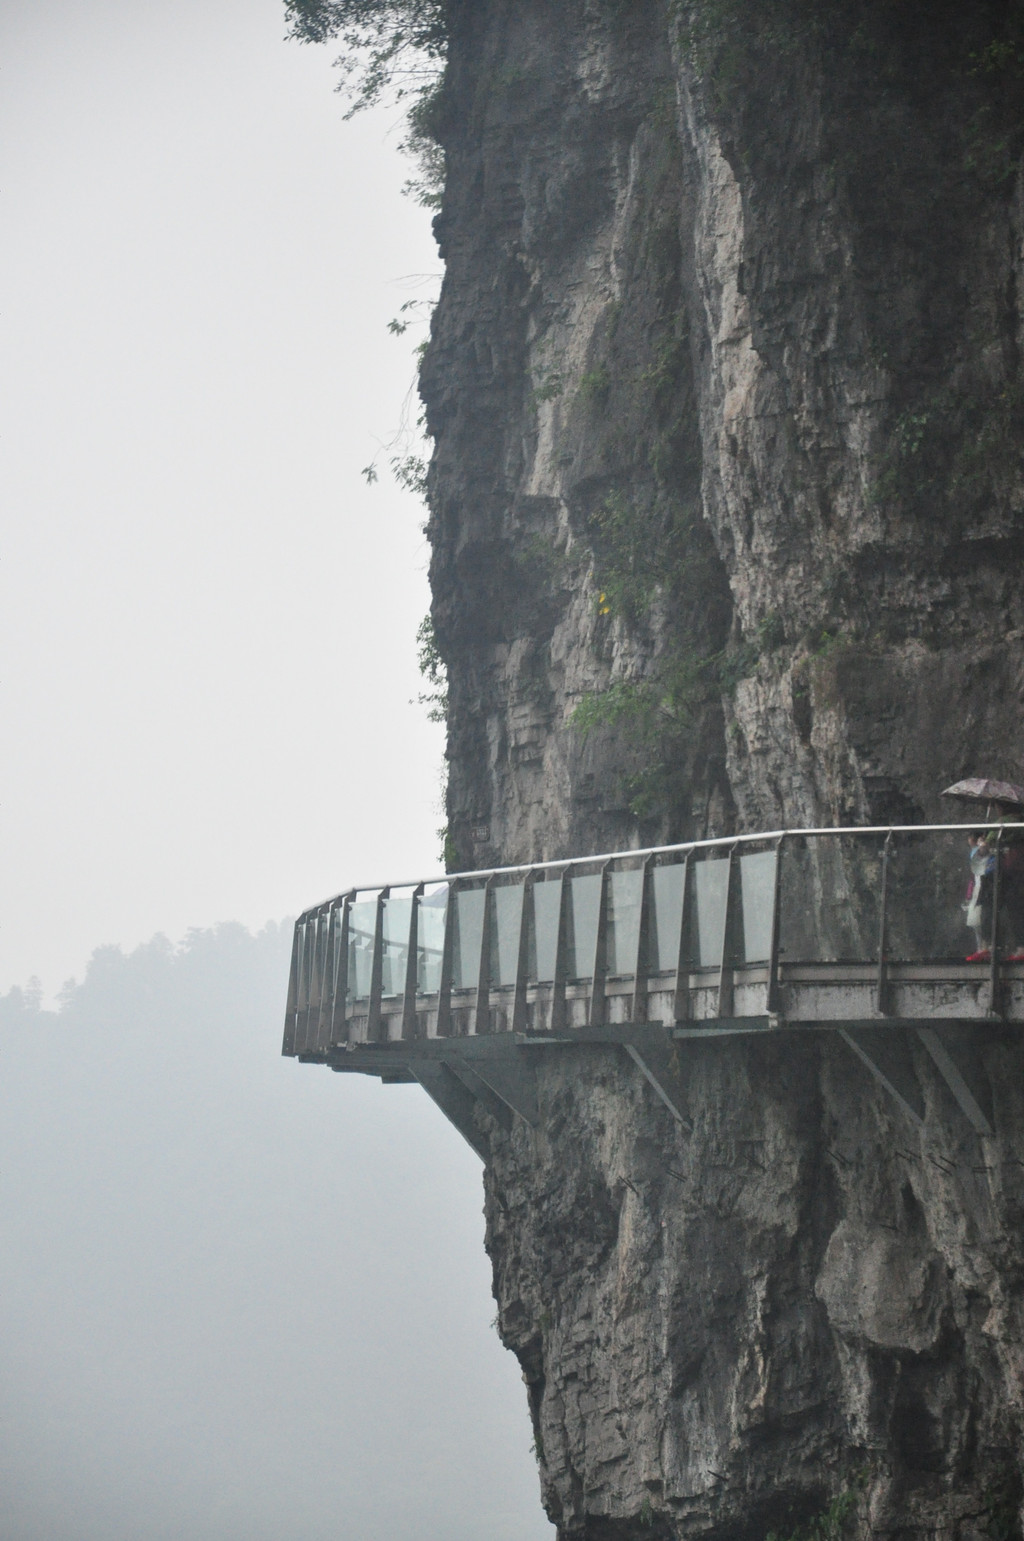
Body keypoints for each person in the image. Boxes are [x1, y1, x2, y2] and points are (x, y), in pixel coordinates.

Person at [965, 831, 994, 961]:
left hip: (981, 888)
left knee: (980, 920)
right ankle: (981, 947)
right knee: (977, 921)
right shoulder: (977, 852)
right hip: (977, 887)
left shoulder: (979, 851)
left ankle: (984, 947)